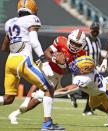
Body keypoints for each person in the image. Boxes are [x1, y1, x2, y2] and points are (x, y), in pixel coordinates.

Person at [0, 0, 65, 130]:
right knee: (49, 87)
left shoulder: (10, 22)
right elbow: (34, 42)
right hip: (23, 60)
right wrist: (44, 61)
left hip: (10, 62)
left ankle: (48, 124)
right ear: (33, 8)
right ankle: (47, 124)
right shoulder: (32, 19)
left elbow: (4, 47)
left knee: (8, 99)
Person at [8, 29, 87, 124]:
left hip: (57, 74)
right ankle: (26, 101)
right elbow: (46, 52)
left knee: (40, 98)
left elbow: (68, 72)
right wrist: (54, 59)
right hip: (47, 65)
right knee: (40, 80)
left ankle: (15, 114)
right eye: (73, 43)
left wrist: (62, 65)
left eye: (77, 45)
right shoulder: (61, 41)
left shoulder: (82, 55)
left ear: (82, 45)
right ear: (69, 39)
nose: (74, 46)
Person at [54, 55, 108, 127]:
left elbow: (67, 90)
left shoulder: (84, 78)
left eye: (77, 66)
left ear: (85, 70)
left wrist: (50, 94)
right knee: (93, 105)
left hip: (107, 90)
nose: (74, 67)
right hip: (96, 91)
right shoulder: (89, 70)